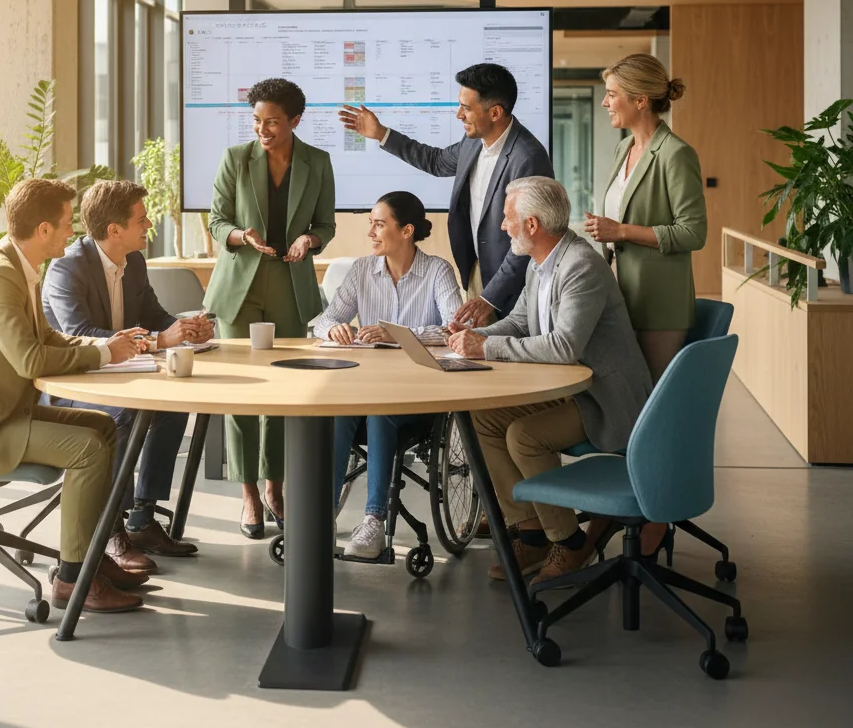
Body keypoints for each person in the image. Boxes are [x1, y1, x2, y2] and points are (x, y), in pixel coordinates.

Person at [0, 178, 152, 613]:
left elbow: (49, 336)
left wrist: (108, 347)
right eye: (67, 224)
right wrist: (103, 352)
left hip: (3, 411)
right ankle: (70, 578)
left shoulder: (18, 267)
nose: (74, 232)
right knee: (86, 448)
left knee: (103, 425)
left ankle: (91, 556)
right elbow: (29, 360)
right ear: (44, 229)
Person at [447, 177, 652, 587]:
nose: (504, 228)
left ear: (533, 224)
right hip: (571, 389)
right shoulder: (541, 263)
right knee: (482, 418)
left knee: (524, 435)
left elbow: (563, 346)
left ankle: (570, 541)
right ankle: (532, 531)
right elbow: (521, 322)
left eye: (508, 220)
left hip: (605, 398)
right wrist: (469, 338)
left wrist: (486, 350)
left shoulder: (580, 265)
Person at [42, 179, 214, 568]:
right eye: (141, 219)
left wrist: (188, 328)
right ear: (114, 230)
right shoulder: (67, 268)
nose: (149, 224)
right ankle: (111, 528)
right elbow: (80, 336)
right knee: (121, 415)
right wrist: (158, 341)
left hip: (118, 375)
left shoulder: (133, 261)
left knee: (172, 406)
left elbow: (155, 316)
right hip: (71, 383)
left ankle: (142, 515)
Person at [582, 53, 706, 555]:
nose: (606, 102)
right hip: (620, 298)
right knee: (622, 404)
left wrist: (623, 231)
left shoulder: (676, 154)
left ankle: (654, 518)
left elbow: (693, 231)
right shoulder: (622, 150)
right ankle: (622, 507)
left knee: (650, 414)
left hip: (658, 303)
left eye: (613, 94)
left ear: (640, 99)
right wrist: (604, 242)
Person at [205, 77, 336, 538]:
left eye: (273, 122)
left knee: (280, 394)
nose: (262, 129)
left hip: (290, 284)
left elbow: (327, 224)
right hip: (239, 286)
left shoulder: (317, 162)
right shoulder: (235, 160)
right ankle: (247, 498)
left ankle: (274, 488)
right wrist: (242, 236)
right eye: (257, 120)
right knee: (240, 393)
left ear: (295, 120)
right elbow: (217, 219)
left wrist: (310, 239)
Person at [339, 62, 553, 324]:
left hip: (511, 286)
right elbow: (436, 161)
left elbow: (530, 239)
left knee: (508, 357)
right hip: (477, 273)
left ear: (495, 112)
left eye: (466, 108)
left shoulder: (528, 157)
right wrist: (381, 134)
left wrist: (490, 298)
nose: (458, 115)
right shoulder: (473, 142)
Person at [311, 191, 462, 559]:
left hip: (418, 397)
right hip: (364, 388)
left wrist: (398, 333)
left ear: (406, 230)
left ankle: (374, 521)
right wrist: (334, 330)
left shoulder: (438, 270)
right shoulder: (362, 270)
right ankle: (322, 518)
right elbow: (324, 319)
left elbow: (454, 329)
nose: (371, 233)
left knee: (381, 411)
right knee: (337, 410)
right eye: (371, 224)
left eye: (380, 224)